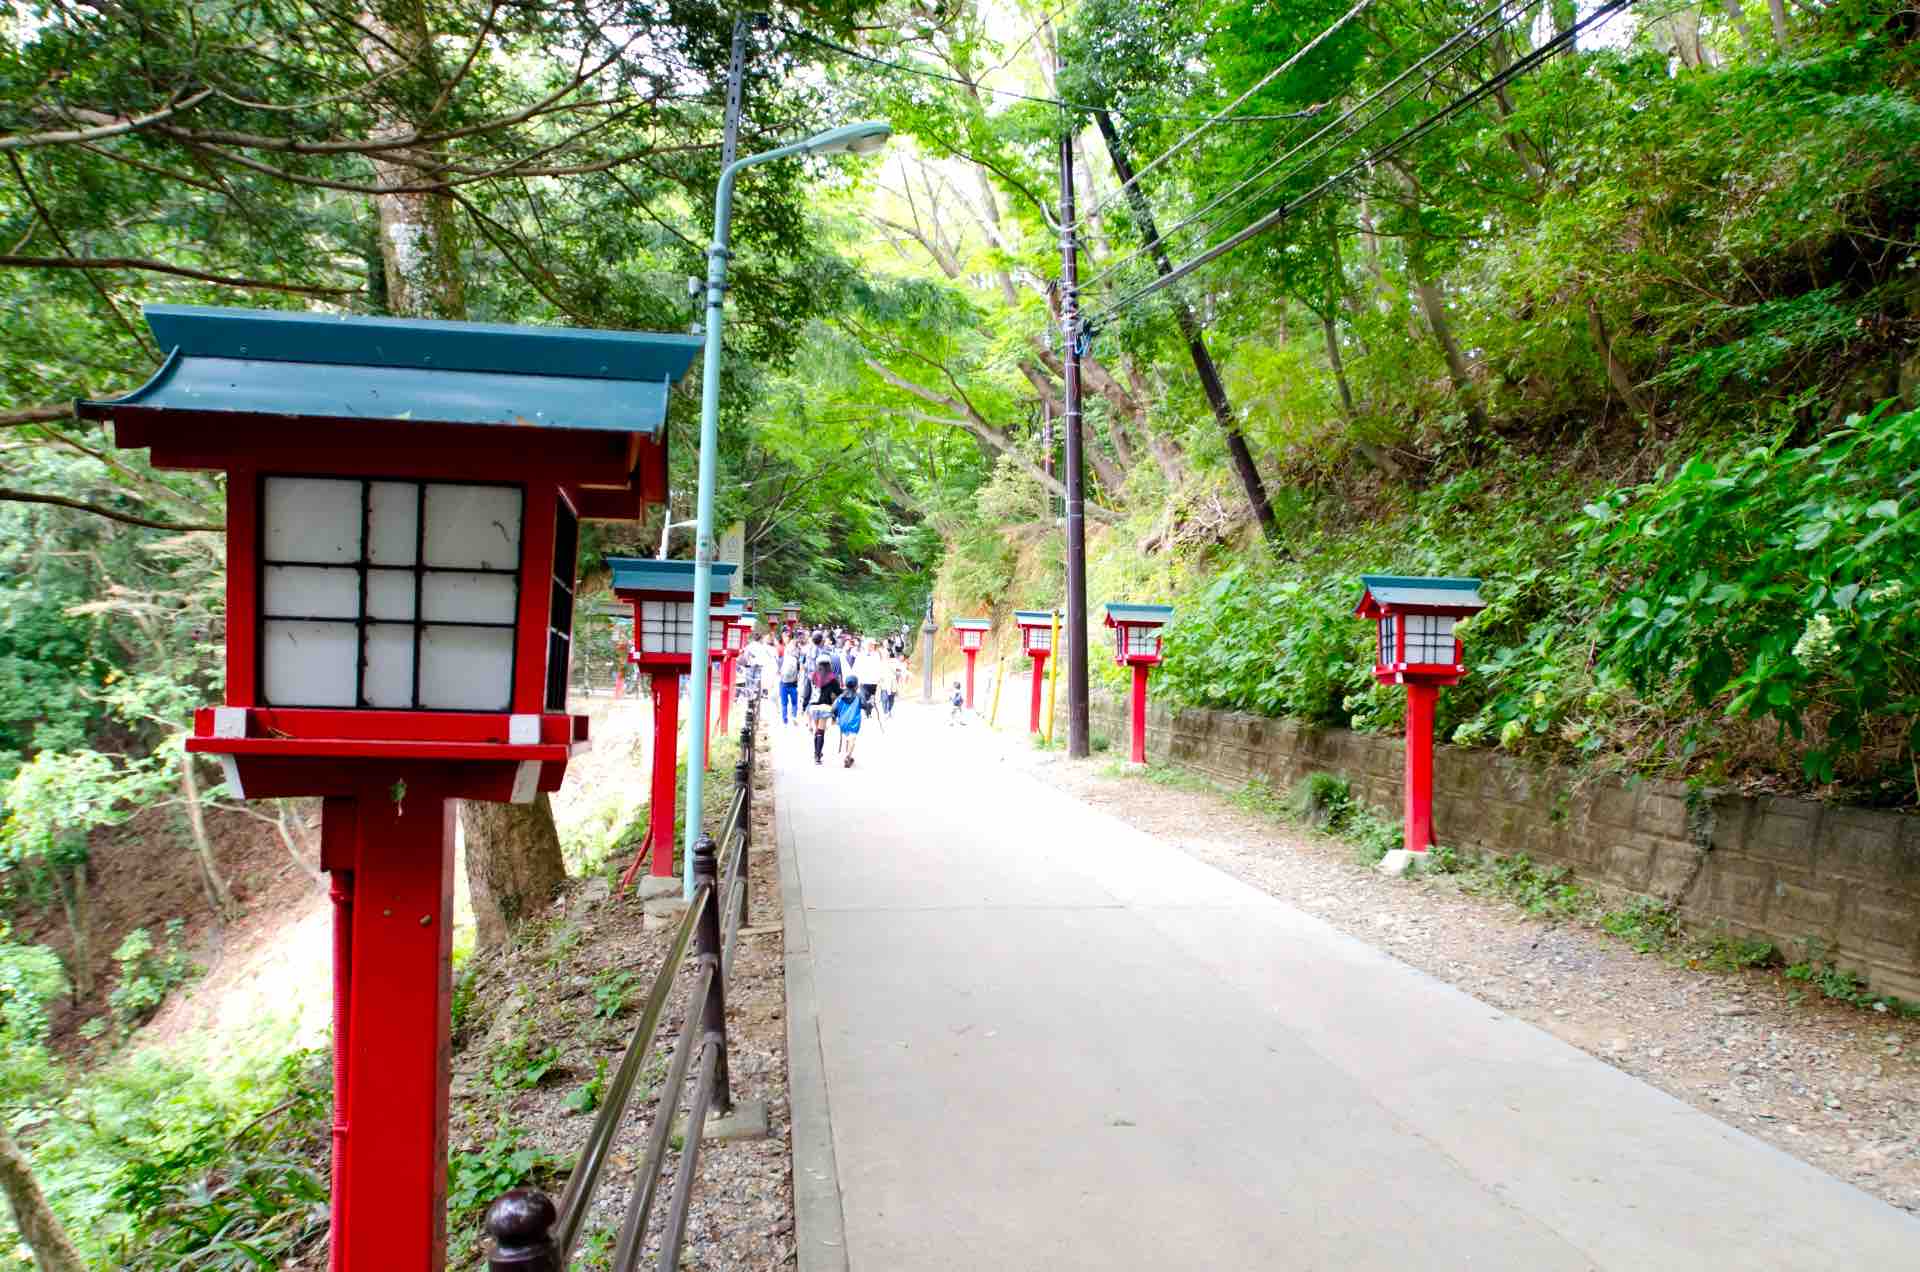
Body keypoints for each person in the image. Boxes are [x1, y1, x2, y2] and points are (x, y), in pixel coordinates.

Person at [833, 675, 864, 766]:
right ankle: (848, 755)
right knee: (852, 738)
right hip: (854, 722)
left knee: (847, 737)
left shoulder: (841, 697)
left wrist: (834, 717)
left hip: (843, 722)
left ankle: (848, 755)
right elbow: (865, 705)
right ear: (856, 685)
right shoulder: (858, 696)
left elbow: (834, 708)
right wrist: (869, 707)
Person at [778, 635, 803, 725]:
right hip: (793, 683)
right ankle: (794, 716)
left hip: (783, 683)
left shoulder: (783, 658)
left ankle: (784, 719)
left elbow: (778, 670)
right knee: (794, 702)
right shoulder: (797, 658)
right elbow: (799, 671)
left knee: (784, 703)